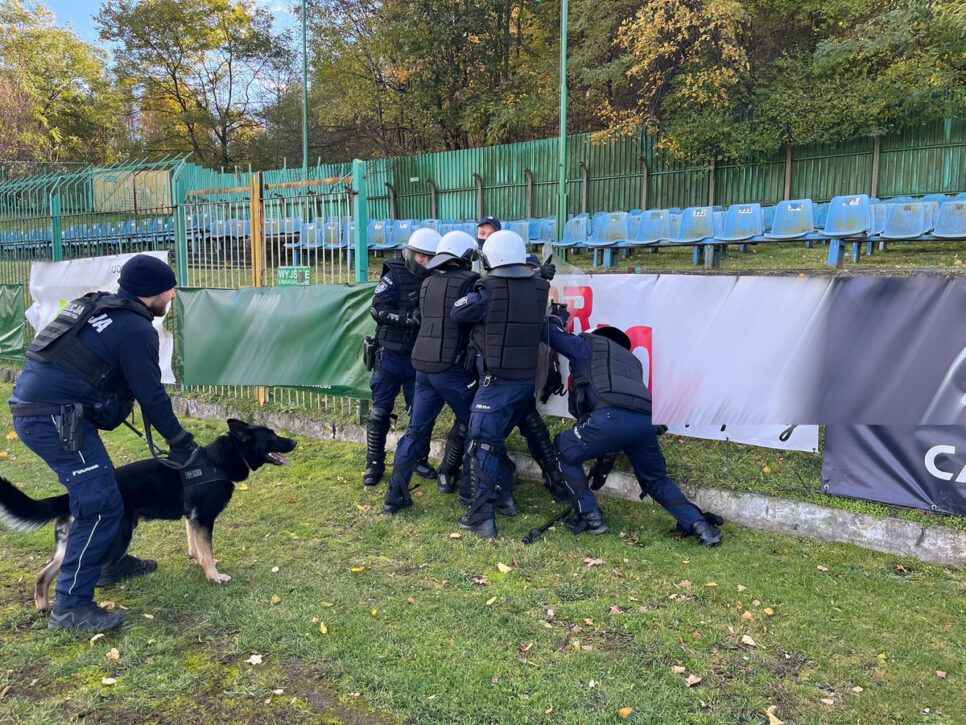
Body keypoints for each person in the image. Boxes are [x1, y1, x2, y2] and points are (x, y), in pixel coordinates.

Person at [8, 254, 204, 631]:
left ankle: (111, 562)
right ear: (151, 293)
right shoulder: (134, 329)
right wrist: (180, 441)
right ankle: (71, 607)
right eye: (169, 289)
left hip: (48, 411)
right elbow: (152, 396)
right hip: (55, 418)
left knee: (104, 494)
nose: (173, 297)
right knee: (99, 504)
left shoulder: (102, 306)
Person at [546, 313, 723, 545]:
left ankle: (590, 517)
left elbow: (548, 332)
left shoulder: (587, 346)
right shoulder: (633, 362)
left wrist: (556, 318)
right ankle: (701, 527)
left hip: (608, 419)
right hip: (645, 423)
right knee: (656, 479)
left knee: (564, 448)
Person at [451, 229, 550, 538]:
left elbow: (458, 312)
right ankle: (505, 500)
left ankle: (481, 517)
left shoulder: (487, 290)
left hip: (495, 385)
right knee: (493, 444)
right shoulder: (539, 288)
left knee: (482, 445)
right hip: (523, 384)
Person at [383, 231, 480, 514]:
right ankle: (468, 495)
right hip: (451, 369)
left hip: (422, 368)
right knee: (478, 426)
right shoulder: (471, 283)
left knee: (415, 433)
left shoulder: (427, 283)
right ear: (465, 257)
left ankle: (394, 496)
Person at [363, 228, 440, 487]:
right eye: (421, 257)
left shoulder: (437, 279)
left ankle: (418, 458)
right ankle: (374, 464)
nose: (425, 263)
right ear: (411, 254)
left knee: (420, 414)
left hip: (418, 359)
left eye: (430, 257)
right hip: (390, 356)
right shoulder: (394, 275)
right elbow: (377, 309)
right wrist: (407, 320)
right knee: (379, 413)